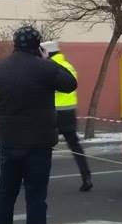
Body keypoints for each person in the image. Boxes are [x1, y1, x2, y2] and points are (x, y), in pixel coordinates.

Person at [0, 26, 78, 224]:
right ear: (38, 46)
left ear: (14, 43)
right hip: (38, 144)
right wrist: (50, 60)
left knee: (5, 195)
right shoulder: (45, 67)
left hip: (8, 142)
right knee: (36, 199)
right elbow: (70, 84)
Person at [40, 40, 93, 192]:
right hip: (69, 113)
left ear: (47, 52)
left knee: (43, 147)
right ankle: (86, 176)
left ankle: (36, 178)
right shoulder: (69, 66)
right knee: (75, 146)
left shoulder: (47, 68)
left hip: (52, 113)